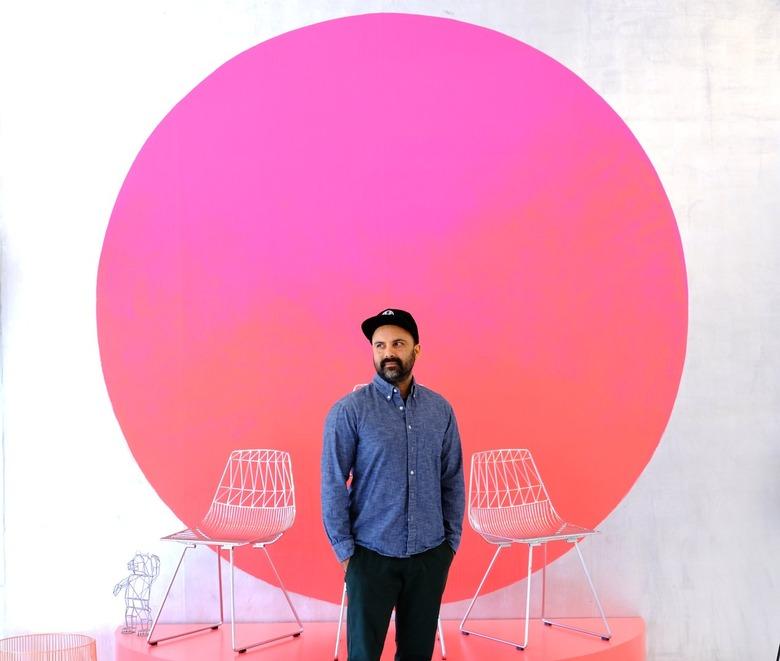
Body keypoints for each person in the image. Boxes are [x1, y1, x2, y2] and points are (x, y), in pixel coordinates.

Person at [321, 308, 465, 661]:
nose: (388, 352)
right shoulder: (349, 412)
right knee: (364, 654)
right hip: (370, 556)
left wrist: (449, 544)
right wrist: (346, 553)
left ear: (416, 349)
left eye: (398, 343)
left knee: (417, 654)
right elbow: (332, 483)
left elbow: (452, 478)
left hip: (429, 555)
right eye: (380, 344)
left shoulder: (440, 410)